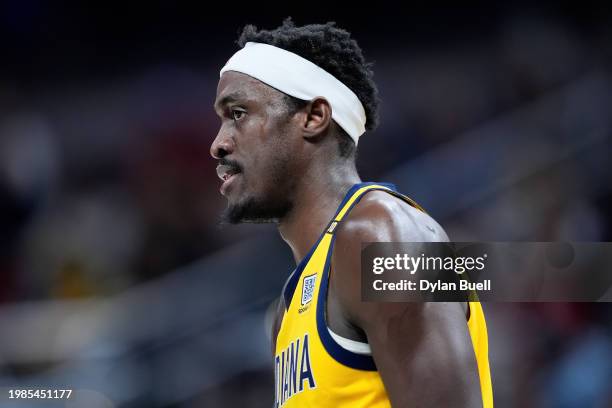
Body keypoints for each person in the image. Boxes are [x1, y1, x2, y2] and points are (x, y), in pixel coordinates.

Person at [211, 18, 493, 408]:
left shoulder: (386, 234)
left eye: (238, 113)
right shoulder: (290, 306)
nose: (218, 144)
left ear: (313, 117)